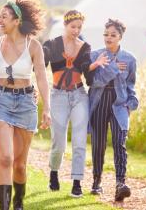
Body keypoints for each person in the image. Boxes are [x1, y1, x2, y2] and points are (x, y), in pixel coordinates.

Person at [0, 0, 51, 210]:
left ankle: (18, 202)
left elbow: (42, 78)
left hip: (26, 103)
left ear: (17, 21)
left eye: (4, 16)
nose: (0, 19)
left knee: (20, 164)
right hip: (1, 102)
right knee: (5, 158)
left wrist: (47, 108)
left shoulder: (33, 46)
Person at [43, 10, 109, 197]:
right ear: (65, 25)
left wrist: (94, 66)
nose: (76, 30)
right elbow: (39, 65)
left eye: (79, 27)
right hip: (58, 96)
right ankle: (54, 172)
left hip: (79, 95)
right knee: (59, 142)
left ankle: (77, 182)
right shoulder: (52, 44)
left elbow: (86, 74)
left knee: (79, 142)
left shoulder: (85, 47)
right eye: (73, 27)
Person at [89, 19, 138, 201]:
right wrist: (113, 68)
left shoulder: (130, 59)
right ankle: (96, 182)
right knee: (99, 143)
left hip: (120, 104)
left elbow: (131, 84)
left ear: (120, 37)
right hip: (99, 101)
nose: (108, 38)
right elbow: (94, 81)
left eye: (113, 35)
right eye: (106, 34)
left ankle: (120, 184)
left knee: (120, 143)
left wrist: (131, 104)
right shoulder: (95, 56)